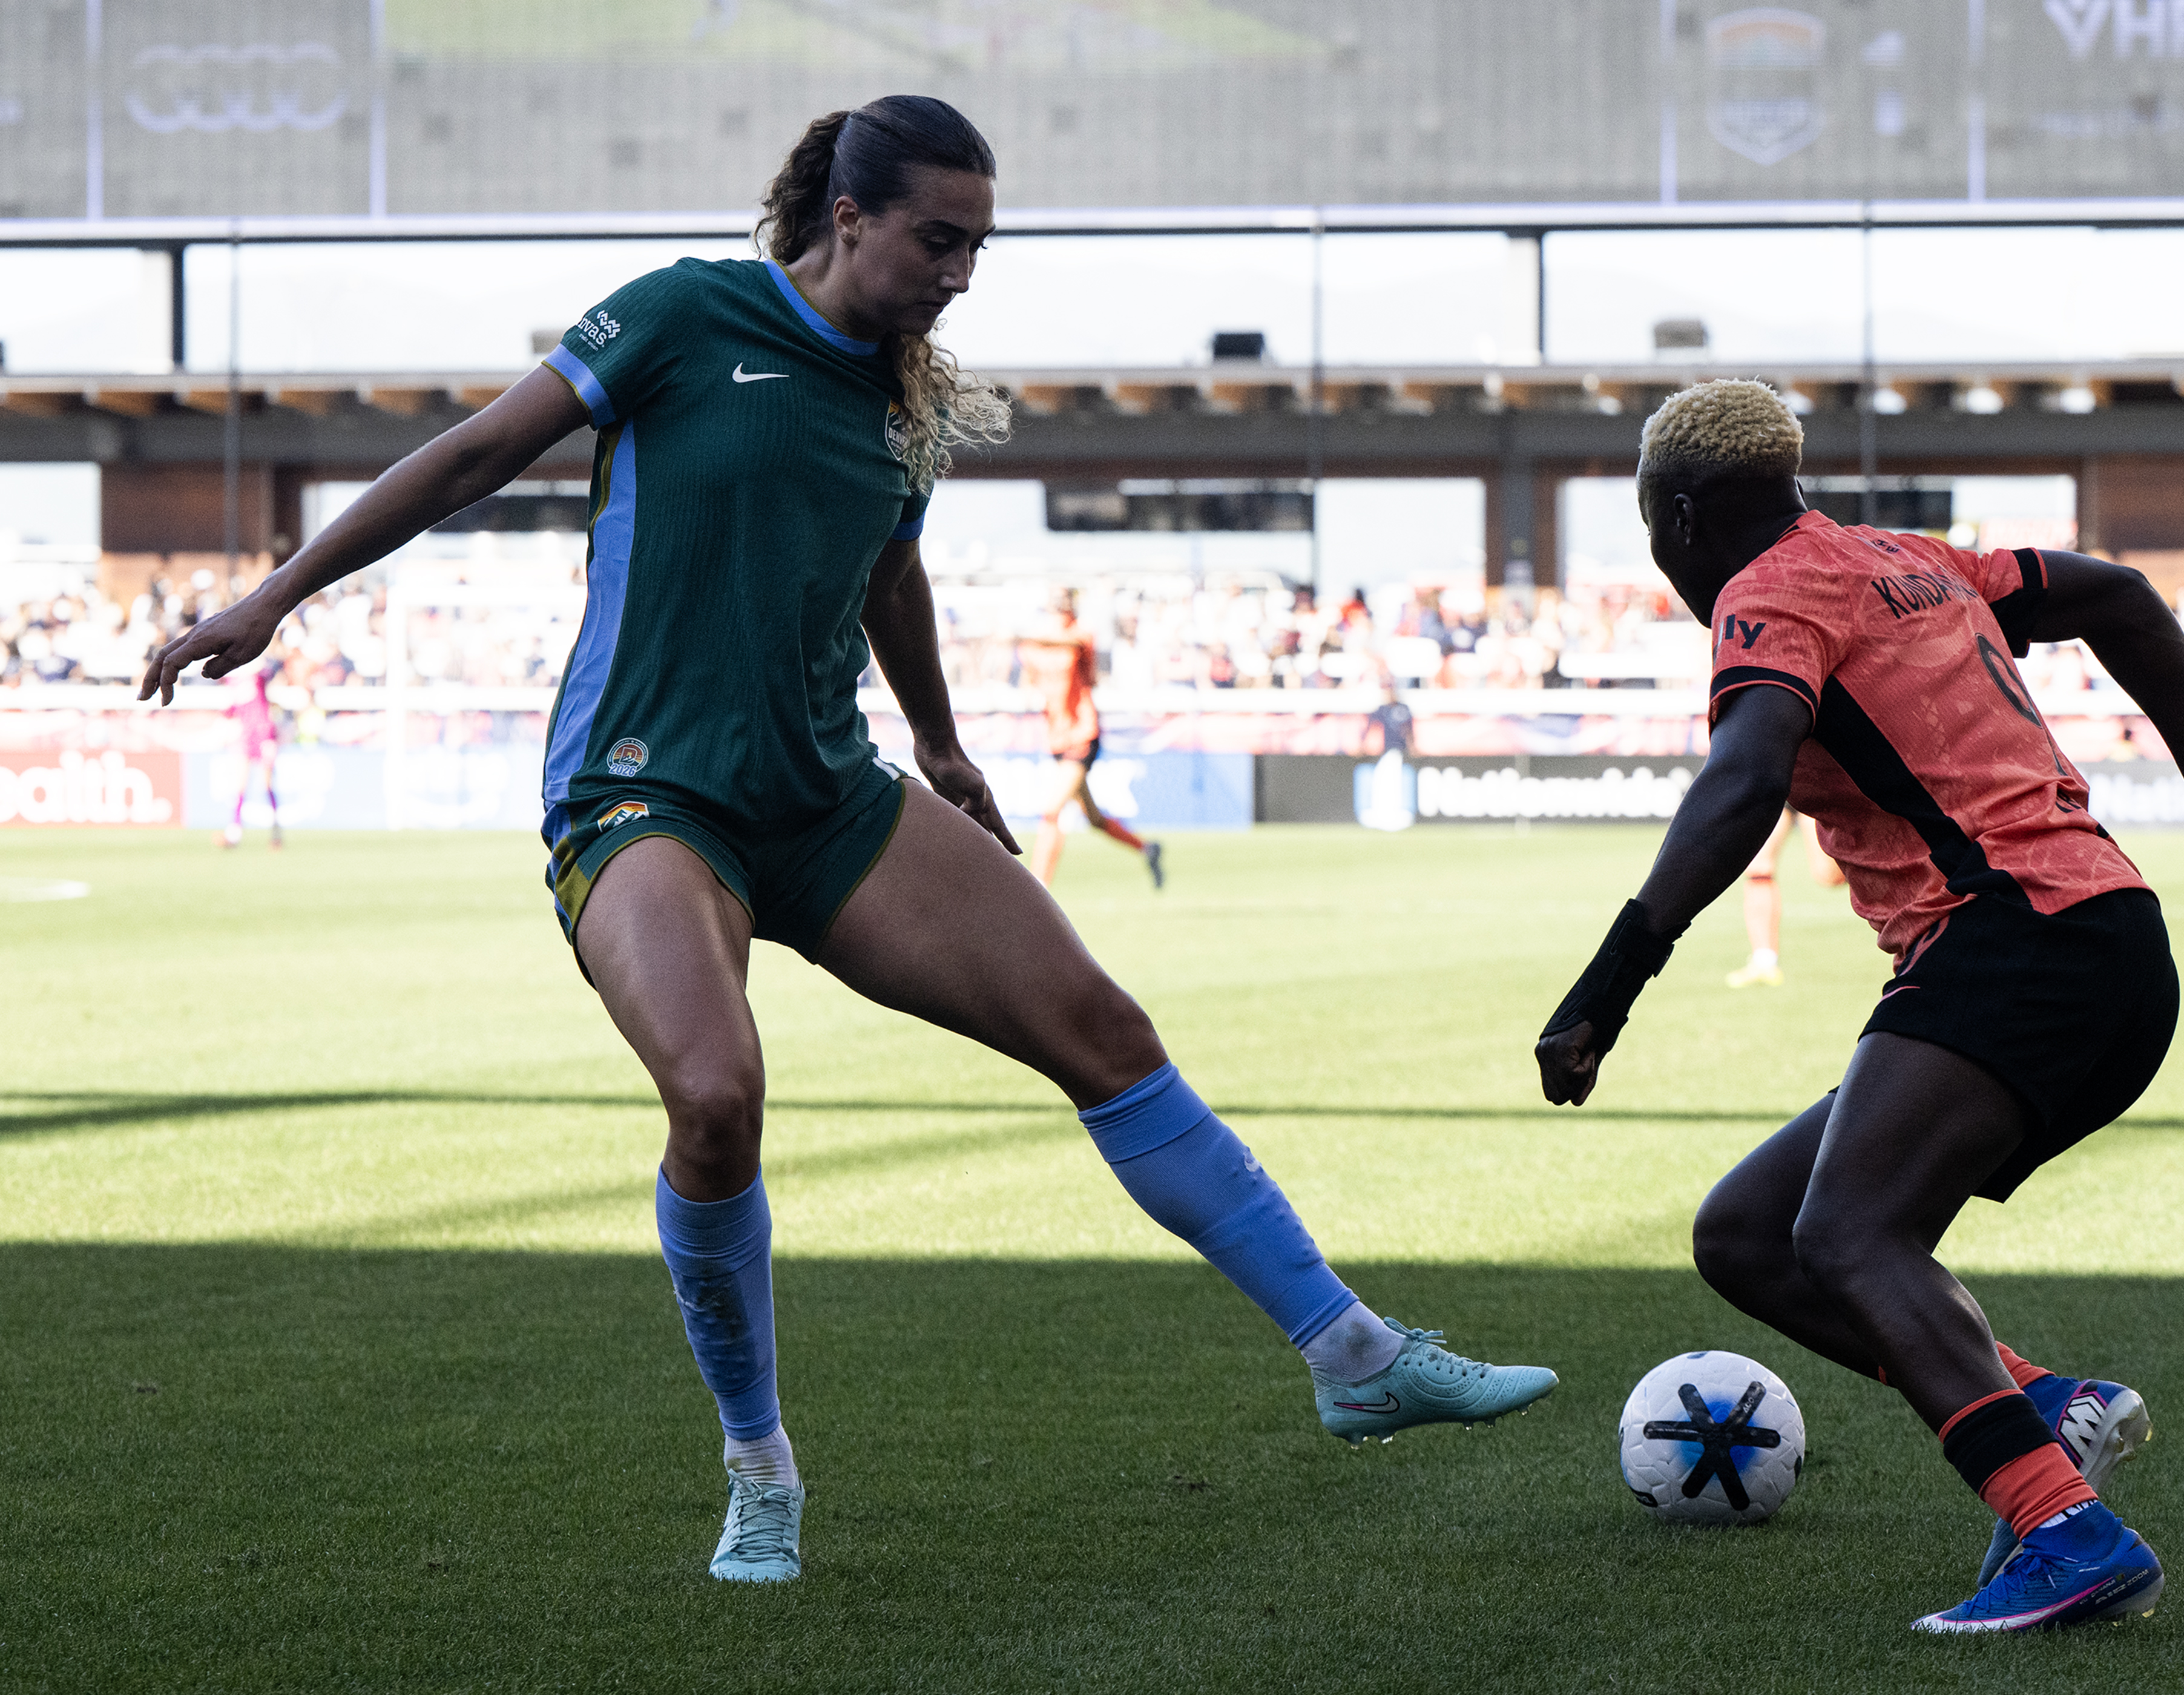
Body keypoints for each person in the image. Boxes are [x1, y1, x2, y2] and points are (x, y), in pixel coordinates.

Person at [143, 96, 1553, 1588]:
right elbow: (471, 456)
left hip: (830, 798)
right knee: (716, 1092)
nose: (960, 273)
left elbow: (891, 579)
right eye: (940, 240)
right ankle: (761, 1470)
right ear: (849, 219)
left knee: (1106, 1031)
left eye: (980, 248)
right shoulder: (684, 315)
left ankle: (1354, 1356)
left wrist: (940, 745)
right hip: (645, 797)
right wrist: (274, 598)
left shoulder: (909, 404)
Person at [1533, 381, 2184, 1634]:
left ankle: (2063, 1525)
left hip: (2018, 939)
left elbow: (1743, 778)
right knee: (1750, 1233)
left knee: (1852, 1233)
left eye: (1654, 534)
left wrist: (1608, 982)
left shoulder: (1768, 591)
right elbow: (2117, 594)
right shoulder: (1912, 560)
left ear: (1682, 514)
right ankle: (2043, 1402)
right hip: (2107, 939)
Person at [1018, 589, 1163, 889]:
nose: (1061, 605)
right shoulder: (1032, 645)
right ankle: (1147, 849)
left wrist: (1025, 637)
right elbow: (1029, 684)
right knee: (1093, 818)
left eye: (1065, 599)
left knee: (1052, 811)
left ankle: (1038, 888)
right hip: (1057, 738)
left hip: (1082, 733)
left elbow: (1074, 645)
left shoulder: (1078, 634)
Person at [1723, 804, 1844, 987]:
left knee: (1829, 877)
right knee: (1758, 866)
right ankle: (1764, 961)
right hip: (1779, 787)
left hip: (1811, 786)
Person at [222, 660, 283, 850]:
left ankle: (276, 834)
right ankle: (234, 834)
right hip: (246, 736)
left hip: (264, 733)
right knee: (241, 785)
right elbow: (231, 710)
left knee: (267, 784)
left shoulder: (256, 675)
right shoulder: (232, 681)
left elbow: (271, 670)